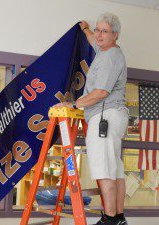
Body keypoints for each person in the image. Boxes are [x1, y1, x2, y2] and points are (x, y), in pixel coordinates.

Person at [54, 12, 129, 225]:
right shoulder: (105, 51)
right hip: (113, 116)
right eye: (97, 29)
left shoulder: (111, 57)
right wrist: (86, 28)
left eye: (104, 31)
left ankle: (110, 218)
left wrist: (74, 104)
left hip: (104, 115)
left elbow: (101, 92)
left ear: (115, 35)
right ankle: (119, 217)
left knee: (104, 168)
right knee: (115, 169)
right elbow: (93, 41)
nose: (98, 34)